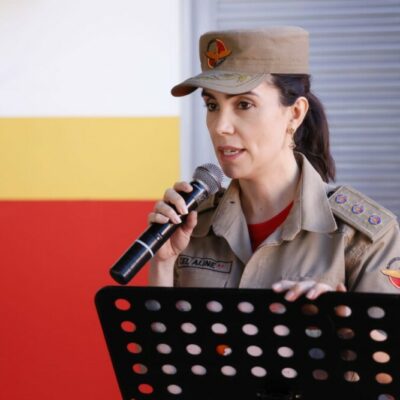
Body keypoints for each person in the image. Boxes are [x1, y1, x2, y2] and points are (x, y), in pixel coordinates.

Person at [147, 26, 400, 301]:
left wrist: (337, 322)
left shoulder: (366, 237)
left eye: (244, 104)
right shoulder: (191, 226)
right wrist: (163, 263)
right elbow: (163, 331)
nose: (220, 127)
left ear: (295, 113)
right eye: (212, 105)